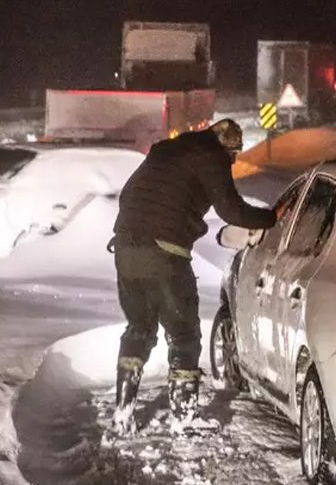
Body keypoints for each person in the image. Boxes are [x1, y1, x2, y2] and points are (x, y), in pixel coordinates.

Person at [109, 118, 276, 432]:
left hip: (125, 250)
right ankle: (184, 416)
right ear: (226, 147)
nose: (234, 160)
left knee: (139, 328)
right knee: (184, 334)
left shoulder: (165, 153)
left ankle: (123, 411)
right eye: (234, 154)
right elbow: (232, 210)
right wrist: (272, 217)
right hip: (164, 254)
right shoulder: (210, 156)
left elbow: (127, 195)